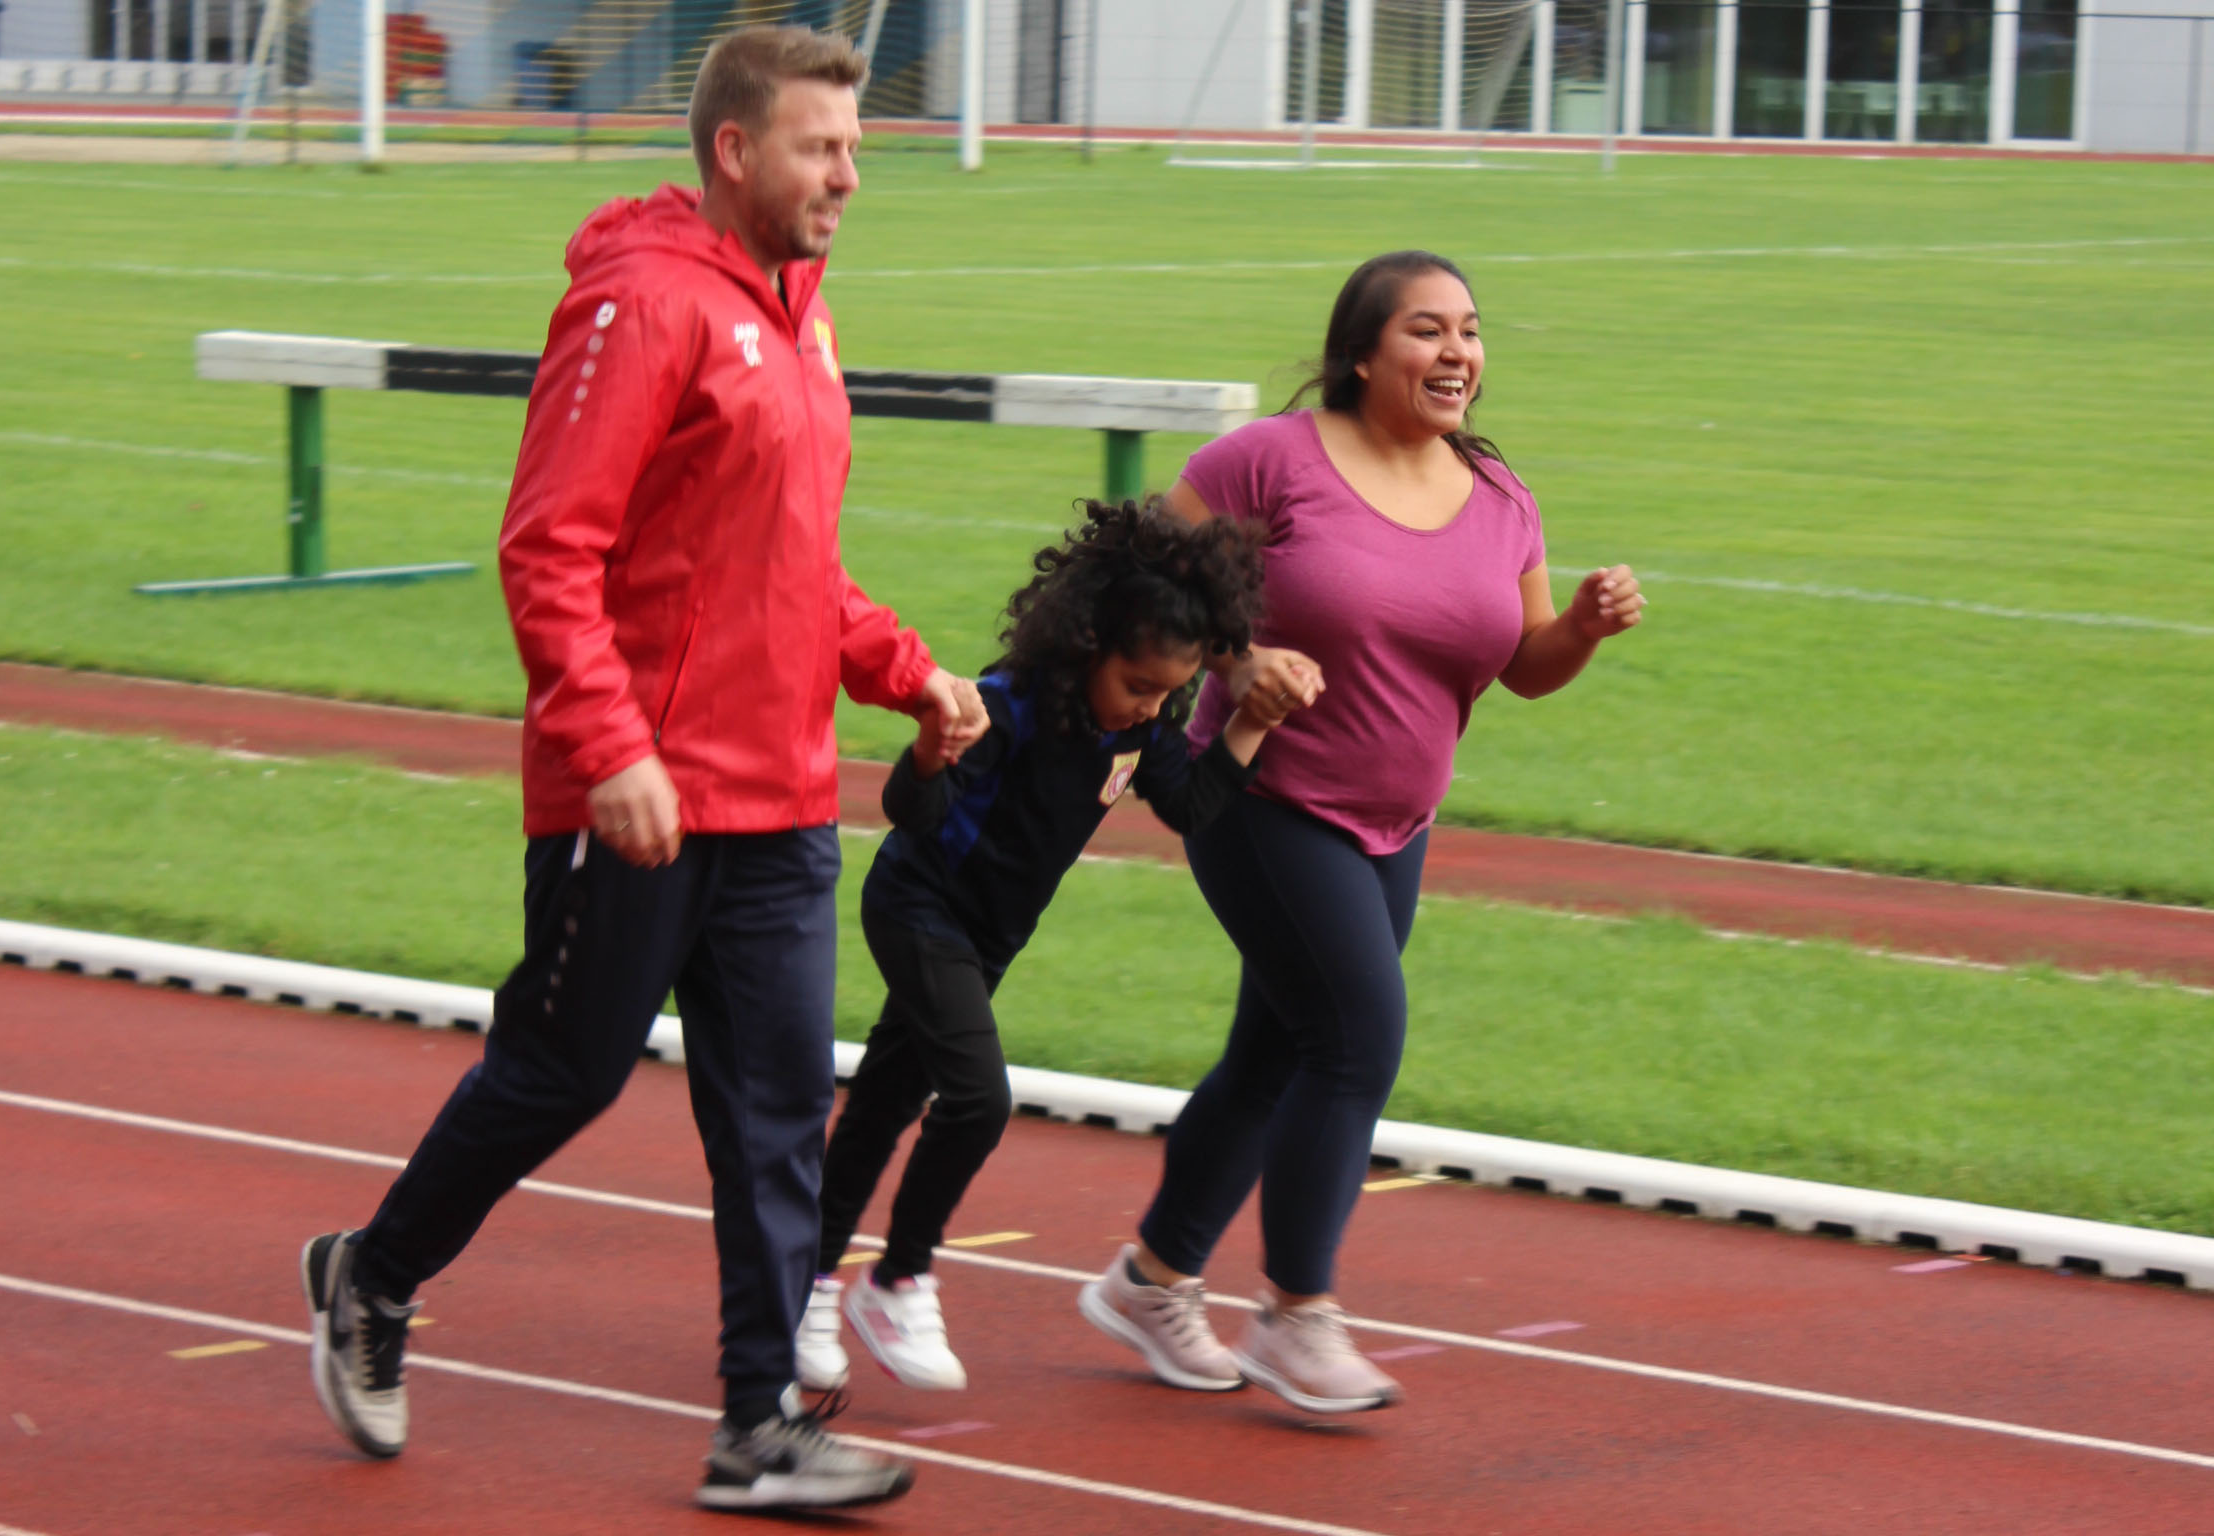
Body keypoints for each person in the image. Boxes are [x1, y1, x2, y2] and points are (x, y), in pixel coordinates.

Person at [298, 25, 988, 1513]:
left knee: (777, 1118)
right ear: (736, 149)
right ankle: (375, 1274)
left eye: (855, 149)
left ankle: (758, 1426)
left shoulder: (801, 311)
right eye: (821, 148)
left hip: (784, 795)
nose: (849, 177)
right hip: (642, 799)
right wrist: (611, 749)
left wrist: (903, 669)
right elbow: (549, 547)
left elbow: (786, 562)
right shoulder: (639, 300)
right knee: (563, 1074)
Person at [1077, 251, 1646, 1414]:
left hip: (1396, 824)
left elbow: (1525, 664)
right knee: (1355, 1039)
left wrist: (1583, 628)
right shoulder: (1270, 463)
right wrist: (1237, 658)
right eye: (1426, 331)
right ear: (1359, 354)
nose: (1457, 352)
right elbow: (1136, 575)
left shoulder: (1501, 497)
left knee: (1277, 1053)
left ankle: (1151, 1279)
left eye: (1470, 331)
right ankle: (1298, 1314)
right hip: (1262, 800)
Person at [795, 499, 1296, 1395]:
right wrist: (928, 752)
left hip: (990, 938)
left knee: (882, 1105)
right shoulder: (1008, 708)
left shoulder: (1138, 728)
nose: (1152, 706)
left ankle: (805, 1278)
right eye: (1138, 685)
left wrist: (1249, 724)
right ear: (1088, 644)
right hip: (919, 911)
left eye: (1169, 693)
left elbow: (1189, 807)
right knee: (978, 1100)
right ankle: (899, 1279)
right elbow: (911, 815)